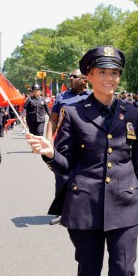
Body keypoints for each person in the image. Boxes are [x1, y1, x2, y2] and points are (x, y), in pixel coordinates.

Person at [26, 46, 138, 276]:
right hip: (85, 206)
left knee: (123, 273)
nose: (110, 78)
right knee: (88, 272)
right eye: (103, 73)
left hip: (125, 205)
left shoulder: (131, 112)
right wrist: (49, 152)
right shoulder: (73, 113)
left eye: (115, 73)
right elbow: (64, 164)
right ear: (89, 75)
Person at [44, 69, 91, 225]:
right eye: (70, 76)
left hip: (86, 143)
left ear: (85, 80)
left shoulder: (92, 97)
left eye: (74, 76)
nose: (70, 78)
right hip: (64, 143)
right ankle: (61, 211)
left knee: (86, 176)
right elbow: (53, 119)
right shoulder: (61, 97)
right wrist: (48, 140)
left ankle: (85, 210)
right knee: (62, 176)